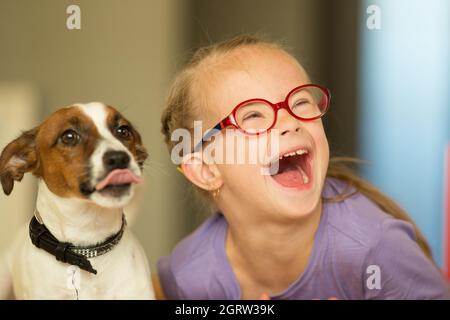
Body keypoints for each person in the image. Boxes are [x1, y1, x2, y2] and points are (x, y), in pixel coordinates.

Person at [158, 35, 450, 299]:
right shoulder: (189, 277)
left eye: (300, 102)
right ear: (206, 170)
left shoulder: (374, 250)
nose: (290, 122)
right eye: (252, 116)